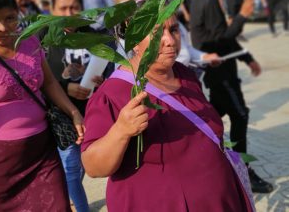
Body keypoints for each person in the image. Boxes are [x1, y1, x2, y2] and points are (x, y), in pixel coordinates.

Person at [81, 13, 254, 212]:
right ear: (134, 41)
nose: (170, 41)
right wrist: (121, 131)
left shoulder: (184, 73)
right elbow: (93, 166)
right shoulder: (112, 94)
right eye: (157, 33)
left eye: (173, 30)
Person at [0, 0, 84, 210]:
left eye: (10, 18)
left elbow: (49, 82)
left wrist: (73, 112)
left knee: (58, 205)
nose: (3, 27)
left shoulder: (29, 40)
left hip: (43, 153)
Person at [190, 0, 273, 193]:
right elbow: (223, 40)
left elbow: (217, 38)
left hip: (215, 73)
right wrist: (243, 15)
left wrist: (247, 58)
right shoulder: (209, 2)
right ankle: (242, 167)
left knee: (215, 116)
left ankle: (212, 160)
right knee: (241, 115)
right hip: (221, 74)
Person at [46, 0, 107, 212]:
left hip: (94, 112)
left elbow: (110, 66)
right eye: (62, 8)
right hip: (65, 116)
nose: (68, 12)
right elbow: (41, 80)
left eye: (74, 7)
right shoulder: (43, 39)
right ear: (51, 9)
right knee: (71, 167)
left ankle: (72, 196)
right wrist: (66, 88)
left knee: (82, 167)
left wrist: (103, 80)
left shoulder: (95, 35)